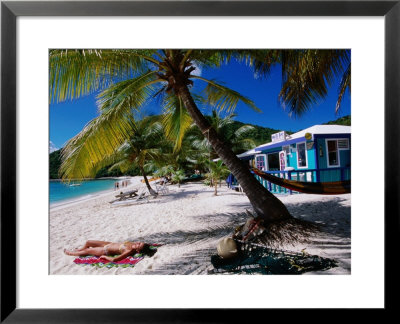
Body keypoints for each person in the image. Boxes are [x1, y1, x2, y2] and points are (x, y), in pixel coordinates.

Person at [64, 240, 156, 262]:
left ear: (138, 250)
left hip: (105, 250)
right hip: (107, 244)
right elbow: (149, 246)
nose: (138, 242)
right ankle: (80, 249)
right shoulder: (132, 244)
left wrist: (104, 257)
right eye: (140, 242)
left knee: (88, 250)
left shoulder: (129, 251)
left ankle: (72, 253)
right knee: (88, 242)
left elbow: (115, 259)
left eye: (139, 245)